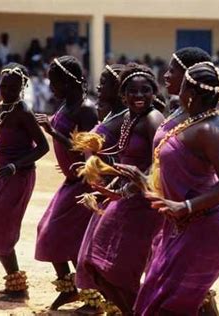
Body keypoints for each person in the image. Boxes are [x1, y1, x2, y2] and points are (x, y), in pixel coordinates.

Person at [134, 61, 219, 315]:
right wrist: (139, 179)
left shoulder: (209, 130)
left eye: (182, 87)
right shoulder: (188, 123)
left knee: (169, 307)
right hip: (181, 227)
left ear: (190, 95)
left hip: (206, 229)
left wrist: (186, 205)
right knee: (155, 301)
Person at [81, 63, 164, 314]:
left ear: (154, 92)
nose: (139, 96)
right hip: (124, 201)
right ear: (123, 94)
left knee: (118, 269)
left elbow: (159, 161)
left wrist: (132, 187)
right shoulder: (128, 118)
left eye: (145, 90)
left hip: (143, 204)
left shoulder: (153, 118)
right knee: (96, 265)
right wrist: (106, 179)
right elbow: (119, 156)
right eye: (132, 91)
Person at [0, 63, 49, 302]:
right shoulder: (3, 107)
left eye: (13, 86)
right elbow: (6, 139)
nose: (7, 89)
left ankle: (17, 286)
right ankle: (14, 280)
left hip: (19, 177)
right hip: (3, 174)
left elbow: (42, 147)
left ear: (22, 88)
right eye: (4, 85)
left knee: (0, 225)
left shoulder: (23, 110)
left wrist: (15, 165)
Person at [34, 55, 98, 310]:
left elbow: (90, 147)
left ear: (69, 82)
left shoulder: (86, 109)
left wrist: (52, 132)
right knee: (48, 231)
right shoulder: (65, 106)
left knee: (63, 236)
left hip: (85, 183)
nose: (51, 87)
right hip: (71, 181)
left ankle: (91, 296)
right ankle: (70, 289)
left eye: (55, 82)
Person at [74, 64, 127, 314]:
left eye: (104, 82)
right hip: (102, 193)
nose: (98, 86)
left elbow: (122, 160)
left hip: (113, 195)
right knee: (96, 254)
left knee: (109, 256)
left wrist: (103, 182)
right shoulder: (110, 116)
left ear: (117, 89)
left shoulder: (124, 119)